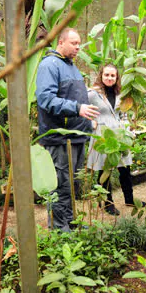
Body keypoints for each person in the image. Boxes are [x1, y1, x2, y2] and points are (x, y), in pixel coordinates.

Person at [36, 27, 100, 232]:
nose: (78, 47)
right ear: (61, 42)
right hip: (59, 137)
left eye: (79, 43)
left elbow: (69, 94)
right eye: (74, 43)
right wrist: (77, 108)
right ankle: (58, 228)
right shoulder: (49, 65)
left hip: (77, 136)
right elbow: (46, 99)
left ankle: (70, 222)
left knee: (72, 185)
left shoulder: (71, 66)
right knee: (60, 184)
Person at [87, 64, 145, 216]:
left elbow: (124, 115)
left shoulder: (121, 94)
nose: (109, 78)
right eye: (106, 75)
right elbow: (82, 110)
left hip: (119, 134)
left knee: (125, 168)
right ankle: (108, 203)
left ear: (117, 78)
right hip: (102, 134)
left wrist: (128, 131)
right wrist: (89, 123)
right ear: (101, 76)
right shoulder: (92, 94)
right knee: (103, 170)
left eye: (113, 75)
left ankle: (130, 198)